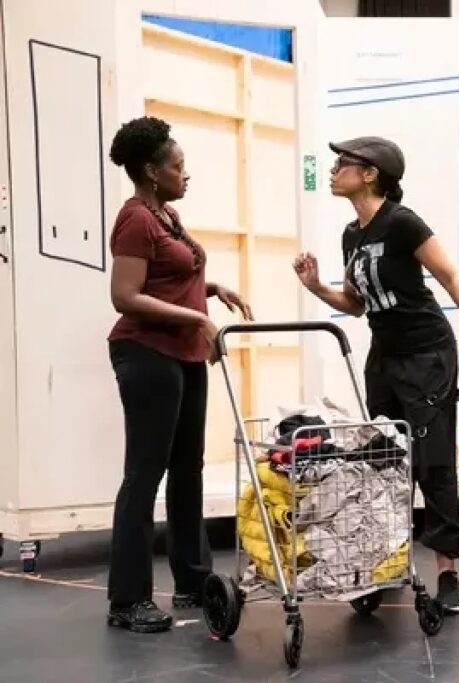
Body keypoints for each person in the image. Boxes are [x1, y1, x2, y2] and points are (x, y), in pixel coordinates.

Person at [292, 136, 459, 614]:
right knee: (383, 464)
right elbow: (355, 303)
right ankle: (382, 566)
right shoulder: (353, 234)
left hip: (427, 355)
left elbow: (450, 276)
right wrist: (316, 287)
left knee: (433, 464)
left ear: (370, 173)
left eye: (341, 164)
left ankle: (448, 573)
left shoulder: (402, 223)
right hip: (386, 359)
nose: (332, 171)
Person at [105, 116, 253, 633]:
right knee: (144, 475)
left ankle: (193, 581)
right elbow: (125, 296)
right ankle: (127, 601)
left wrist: (211, 290)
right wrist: (196, 317)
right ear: (151, 171)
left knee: (188, 470)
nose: (186, 175)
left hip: (185, 355)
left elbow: (169, 278)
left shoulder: (164, 213)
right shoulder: (135, 219)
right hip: (146, 354)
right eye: (178, 166)